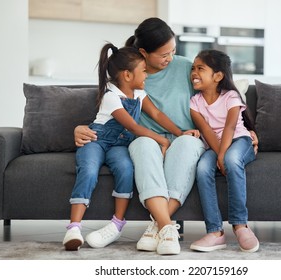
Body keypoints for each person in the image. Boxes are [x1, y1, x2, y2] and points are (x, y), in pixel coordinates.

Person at [74, 17, 257, 255]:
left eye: (173, 51)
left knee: (187, 144)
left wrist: (248, 128)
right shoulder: (130, 74)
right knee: (142, 145)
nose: (170, 59)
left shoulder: (185, 68)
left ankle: (157, 227)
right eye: (163, 54)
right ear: (143, 53)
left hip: (186, 137)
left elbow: (219, 96)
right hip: (148, 139)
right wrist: (79, 128)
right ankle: (167, 226)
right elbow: (108, 111)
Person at [63, 42, 192, 251]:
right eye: (143, 71)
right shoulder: (111, 96)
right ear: (127, 76)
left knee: (126, 169)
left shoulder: (139, 94)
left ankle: (117, 223)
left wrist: (179, 133)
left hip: (118, 145)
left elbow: (157, 115)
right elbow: (131, 125)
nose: (146, 76)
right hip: (97, 139)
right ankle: (74, 227)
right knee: (88, 170)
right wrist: (162, 140)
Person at [189, 49, 259, 253]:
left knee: (232, 160)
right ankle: (215, 232)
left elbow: (229, 128)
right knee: (202, 169)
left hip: (238, 140)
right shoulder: (194, 102)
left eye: (200, 68)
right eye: (193, 68)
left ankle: (240, 225)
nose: (194, 72)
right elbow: (206, 130)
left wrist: (222, 155)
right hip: (214, 145)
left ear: (218, 76)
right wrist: (218, 153)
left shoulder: (231, 96)